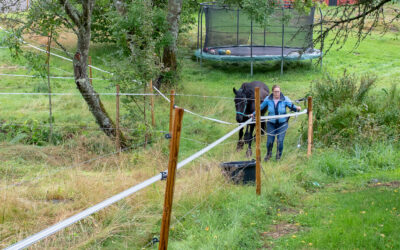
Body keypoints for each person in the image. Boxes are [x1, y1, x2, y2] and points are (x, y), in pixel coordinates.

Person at [251, 85, 301, 161]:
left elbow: (292, 106)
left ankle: (278, 157)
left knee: (280, 141)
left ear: (280, 91)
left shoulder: (285, 99)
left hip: (282, 124)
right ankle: (268, 154)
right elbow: (260, 107)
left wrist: (297, 108)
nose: (277, 93)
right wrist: (253, 114)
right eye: (275, 92)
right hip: (271, 123)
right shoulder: (268, 99)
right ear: (272, 92)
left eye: (278, 91)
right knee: (270, 141)